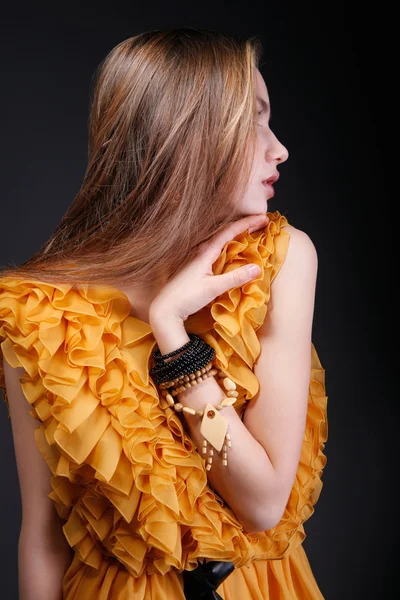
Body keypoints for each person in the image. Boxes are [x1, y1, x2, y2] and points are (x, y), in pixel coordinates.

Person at [0, 27, 328, 600]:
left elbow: (263, 502)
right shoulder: (34, 312)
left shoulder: (279, 261)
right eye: (253, 120)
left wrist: (176, 337)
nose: (279, 148)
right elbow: (45, 538)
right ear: (186, 136)